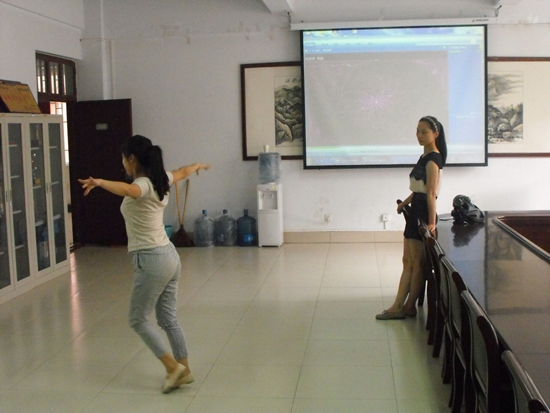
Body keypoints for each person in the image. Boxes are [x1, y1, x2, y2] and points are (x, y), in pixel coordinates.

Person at [78, 135, 210, 393]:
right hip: (169, 256)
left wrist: (100, 182)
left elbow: (128, 190)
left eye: (123, 159)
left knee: (138, 319)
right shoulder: (161, 180)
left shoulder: (142, 184)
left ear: (131, 159)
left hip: (151, 259)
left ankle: (172, 368)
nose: (122, 164)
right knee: (168, 318)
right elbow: (182, 172)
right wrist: (197, 166)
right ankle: (184, 370)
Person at [376, 116, 447, 320]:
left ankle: (402, 306)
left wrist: (431, 223)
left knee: (416, 263)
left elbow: (431, 194)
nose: (419, 135)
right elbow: (419, 189)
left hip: (423, 213)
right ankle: (405, 306)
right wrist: (405, 203)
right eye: (417, 131)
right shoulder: (425, 156)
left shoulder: (433, 159)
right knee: (408, 260)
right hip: (416, 209)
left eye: (424, 132)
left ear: (435, 134)